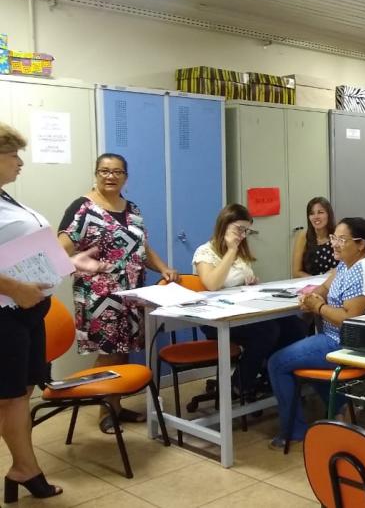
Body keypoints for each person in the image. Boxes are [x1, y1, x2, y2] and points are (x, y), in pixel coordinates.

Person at [0, 124, 112, 502]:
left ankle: (22, 466)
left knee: (21, 393)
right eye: (12, 155)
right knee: (10, 396)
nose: (20, 163)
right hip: (5, 314)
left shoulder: (6, 197)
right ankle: (25, 468)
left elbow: (21, 252)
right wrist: (14, 288)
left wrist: (69, 263)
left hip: (28, 312)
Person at [57, 153, 178, 434]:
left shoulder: (132, 208)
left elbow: (142, 248)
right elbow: (60, 249)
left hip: (131, 293)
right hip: (98, 296)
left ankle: (116, 405)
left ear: (125, 176)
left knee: (123, 352)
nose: (110, 176)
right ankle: (105, 411)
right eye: (104, 171)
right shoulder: (82, 208)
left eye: (117, 172)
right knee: (108, 352)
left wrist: (163, 267)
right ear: (96, 174)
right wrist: (79, 264)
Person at [267, 217, 365, 449]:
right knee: (295, 348)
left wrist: (318, 307)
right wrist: (312, 296)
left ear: (360, 244)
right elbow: (325, 287)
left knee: (277, 363)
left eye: (342, 240)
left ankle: (294, 432)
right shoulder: (349, 262)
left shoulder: (363, 271)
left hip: (346, 344)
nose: (334, 243)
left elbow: (348, 319)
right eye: (334, 237)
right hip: (338, 338)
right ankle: (341, 407)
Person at [193, 204, 283, 396]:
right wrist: (231, 250)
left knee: (292, 324)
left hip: (243, 312)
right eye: (239, 229)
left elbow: (238, 283)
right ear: (224, 225)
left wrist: (251, 283)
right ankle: (240, 384)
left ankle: (272, 376)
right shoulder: (205, 252)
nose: (242, 235)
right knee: (269, 331)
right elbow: (212, 284)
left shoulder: (241, 253)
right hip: (216, 319)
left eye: (246, 231)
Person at [291, 197, 335, 278]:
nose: (316, 217)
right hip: (310, 283)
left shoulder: (338, 235)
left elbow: (348, 265)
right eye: (312, 213)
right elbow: (296, 272)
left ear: (329, 214)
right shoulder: (303, 236)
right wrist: (318, 281)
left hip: (334, 282)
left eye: (320, 212)